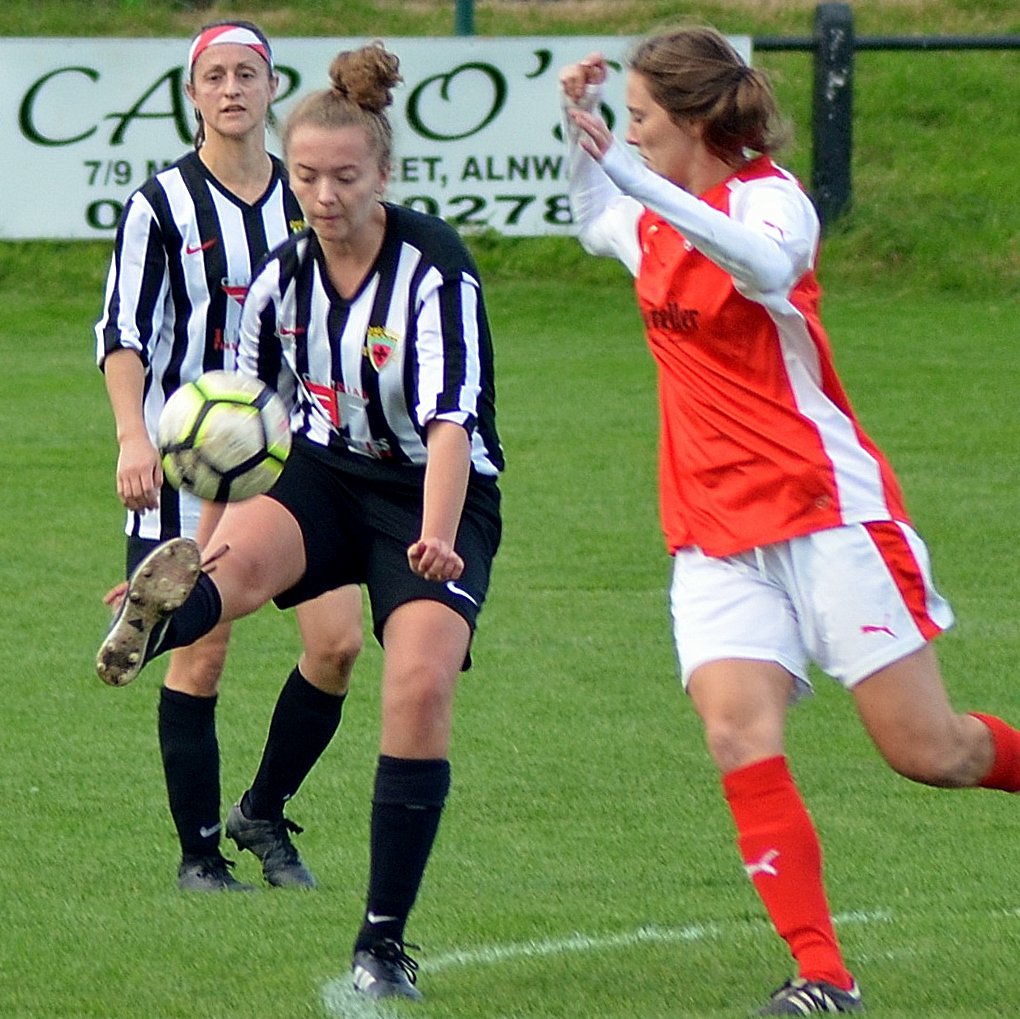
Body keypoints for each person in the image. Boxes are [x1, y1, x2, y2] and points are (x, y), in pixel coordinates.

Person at [559, 26, 1020, 1016]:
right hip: (711, 529)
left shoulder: (771, 202)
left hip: (824, 512)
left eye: (640, 117)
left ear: (694, 122)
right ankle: (823, 973)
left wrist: (638, 183)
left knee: (932, 751)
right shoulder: (651, 210)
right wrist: (579, 128)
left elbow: (766, 266)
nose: (631, 135)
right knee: (737, 732)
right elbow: (596, 215)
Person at [96, 40, 503, 1001]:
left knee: (415, 685)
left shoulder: (435, 268)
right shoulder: (281, 277)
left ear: (383, 174)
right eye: (309, 176)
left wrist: (437, 534)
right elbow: (247, 424)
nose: (322, 195)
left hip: (426, 490)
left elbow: (451, 422)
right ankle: (163, 611)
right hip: (321, 471)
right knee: (227, 578)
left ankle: (382, 940)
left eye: (343, 178)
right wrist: (203, 545)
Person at [94, 20, 365, 893]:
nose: (231, 89)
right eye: (214, 76)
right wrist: (133, 437)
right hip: (189, 463)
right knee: (202, 653)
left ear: (272, 85)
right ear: (192, 94)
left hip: (297, 462)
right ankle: (200, 856)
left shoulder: (306, 195)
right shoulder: (160, 204)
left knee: (337, 645)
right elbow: (123, 332)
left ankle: (262, 808)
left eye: (247, 73)